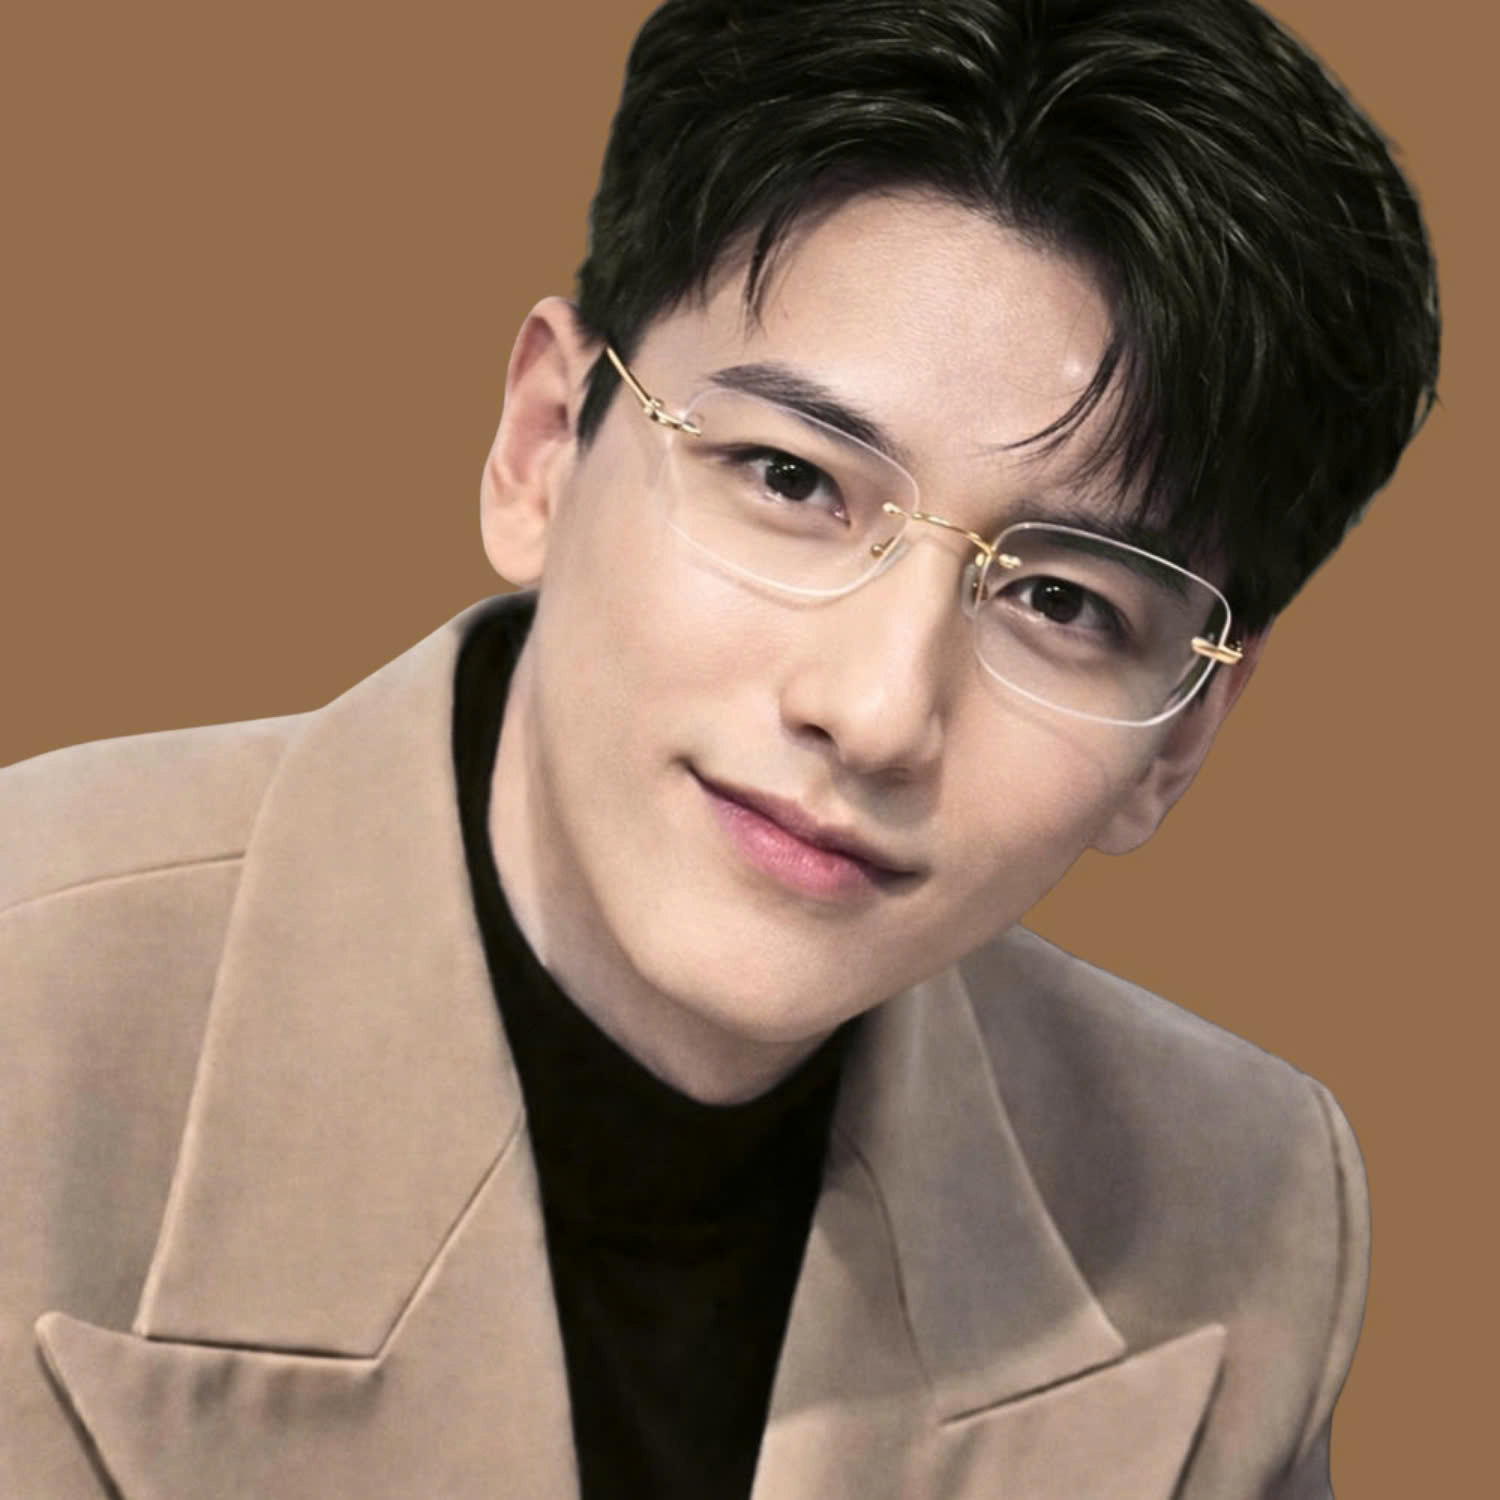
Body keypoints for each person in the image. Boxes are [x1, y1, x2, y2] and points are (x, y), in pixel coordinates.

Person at [0, 0, 1438, 1496]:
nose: (876, 713)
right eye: (790, 479)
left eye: (1062, 601)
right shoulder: (27, 1003)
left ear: (1182, 733)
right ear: (543, 446)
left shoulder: (1243, 1210)